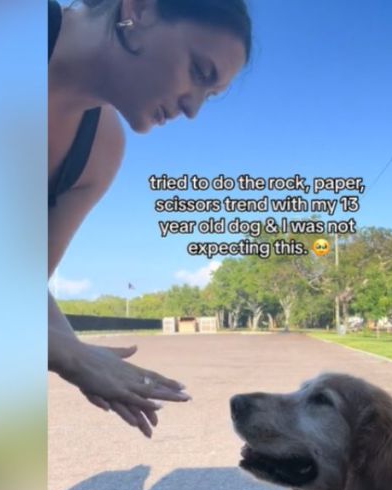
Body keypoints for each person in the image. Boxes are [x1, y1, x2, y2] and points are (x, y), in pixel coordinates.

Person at [46, 0, 252, 437]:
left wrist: (77, 354)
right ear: (139, 9)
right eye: (200, 71)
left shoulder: (100, 150)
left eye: (210, 97)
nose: (194, 110)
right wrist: (65, 354)